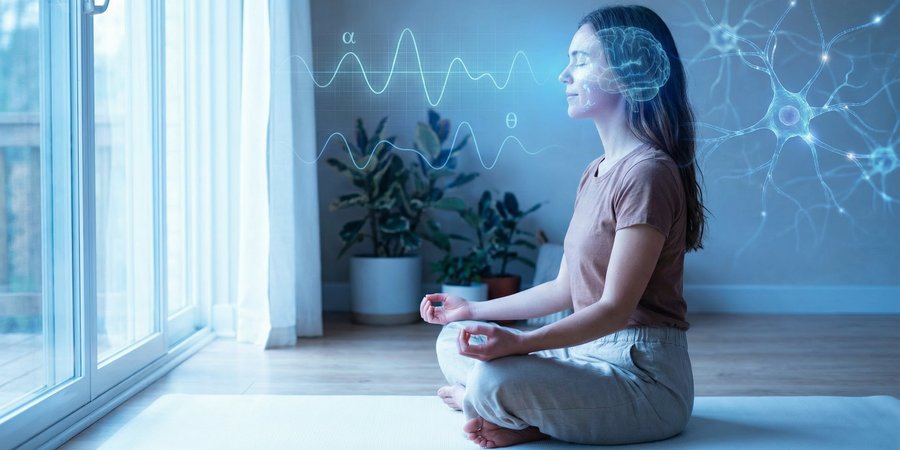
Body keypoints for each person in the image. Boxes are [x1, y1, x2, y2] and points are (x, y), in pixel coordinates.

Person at [419, 5, 707, 448]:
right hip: (585, 354)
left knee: (494, 378)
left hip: (642, 379)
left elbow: (614, 309)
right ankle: (515, 411)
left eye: (581, 60)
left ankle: (495, 404)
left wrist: (520, 345)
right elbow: (564, 290)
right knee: (454, 339)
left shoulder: (648, 173)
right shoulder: (595, 172)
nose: (564, 75)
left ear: (630, 71)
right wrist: (472, 311)